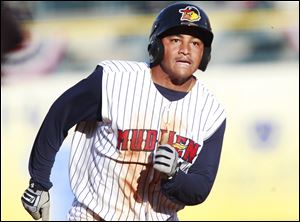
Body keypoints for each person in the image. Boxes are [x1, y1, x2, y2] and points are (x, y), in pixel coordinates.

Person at [21, 2, 226, 221]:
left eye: (195, 43)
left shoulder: (211, 112)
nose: (185, 50)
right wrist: (39, 183)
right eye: (175, 40)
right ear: (156, 46)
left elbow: (201, 186)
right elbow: (58, 117)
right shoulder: (113, 80)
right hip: (95, 215)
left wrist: (174, 176)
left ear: (204, 54)